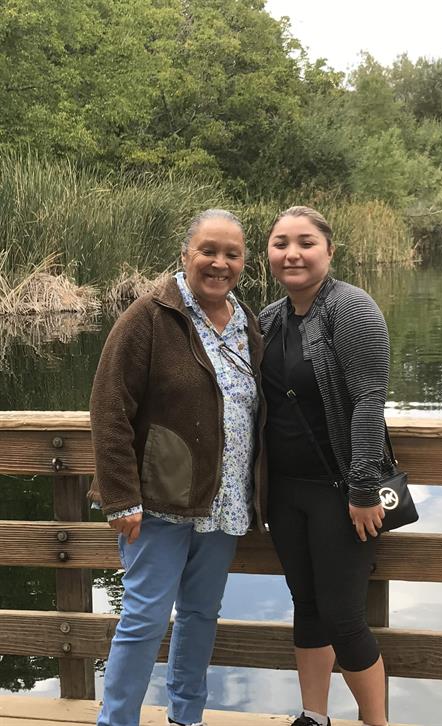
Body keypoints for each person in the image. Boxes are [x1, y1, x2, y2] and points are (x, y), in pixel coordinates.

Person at [88, 209, 266, 726]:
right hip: (158, 503)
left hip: (224, 502)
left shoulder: (246, 322)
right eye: (208, 250)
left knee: (199, 617)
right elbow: (109, 407)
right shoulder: (148, 315)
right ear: (186, 254)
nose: (219, 263)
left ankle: (185, 717)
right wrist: (120, 497)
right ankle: (116, 721)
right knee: (143, 619)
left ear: (243, 262)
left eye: (232, 254)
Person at [259, 207, 390, 726]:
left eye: (306, 242)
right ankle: (314, 715)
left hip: (340, 492)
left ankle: (375, 722)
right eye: (280, 243)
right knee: (306, 606)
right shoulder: (269, 317)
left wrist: (362, 491)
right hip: (286, 492)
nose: (292, 253)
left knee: (343, 616)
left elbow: (368, 400)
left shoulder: (351, 307)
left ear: (329, 251)